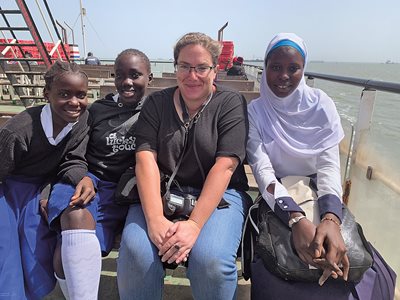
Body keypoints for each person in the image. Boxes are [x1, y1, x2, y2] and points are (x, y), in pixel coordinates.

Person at [246, 33, 396, 299]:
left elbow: (328, 168)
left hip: (320, 194)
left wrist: (330, 220)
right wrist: (296, 219)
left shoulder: (321, 104)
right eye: (275, 67)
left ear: (303, 70)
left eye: (293, 68)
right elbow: (263, 171)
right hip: (277, 196)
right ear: (265, 68)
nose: (283, 76)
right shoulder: (256, 111)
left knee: (358, 267)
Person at [117, 32, 251, 300]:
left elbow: (225, 166)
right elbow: (145, 159)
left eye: (202, 67)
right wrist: (155, 220)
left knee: (209, 260)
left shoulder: (230, 103)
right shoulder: (157, 103)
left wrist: (194, 226)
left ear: (215, 69)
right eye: (184, 67)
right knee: (137, 253)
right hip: (164, 193)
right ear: (175, 67)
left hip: (221, 196)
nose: (193, 76)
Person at [46, 48, 153, 299]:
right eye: (120, 75)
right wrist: (81, 176)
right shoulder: (97, 110)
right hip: (89, 178)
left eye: (135, 75)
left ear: (149, 78)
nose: (127, 82)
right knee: (74, 217)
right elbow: (75, 151)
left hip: (124, 189)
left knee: (69, 250)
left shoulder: (156, 110)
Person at [0, 60, 91, 299]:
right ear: (46, 94)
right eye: (64, 94)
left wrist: (78, 178)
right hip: (7, 189)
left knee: (35, 246)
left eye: (81, 95)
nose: (74, 102)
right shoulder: (18, 131)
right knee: (5, 250)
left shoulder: (81, 121)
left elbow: (73, 160)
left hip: (40, 187)